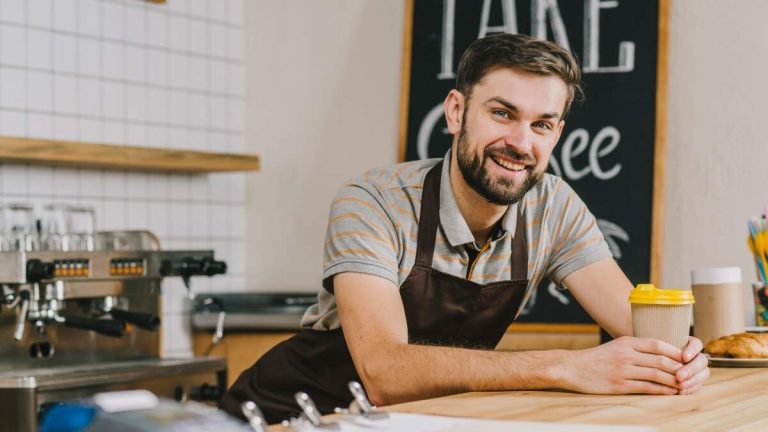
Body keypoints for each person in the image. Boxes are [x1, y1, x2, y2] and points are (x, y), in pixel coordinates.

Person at [220, 33, 709, 424]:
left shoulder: (554, 207)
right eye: (502, 113)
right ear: (457, 112)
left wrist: (681, 356)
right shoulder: (372, 202)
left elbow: (639, 329)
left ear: (557, 133)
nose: (521, 142)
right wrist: (567, 365)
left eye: (542, 124)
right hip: (288, 417)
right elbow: (384, 371)